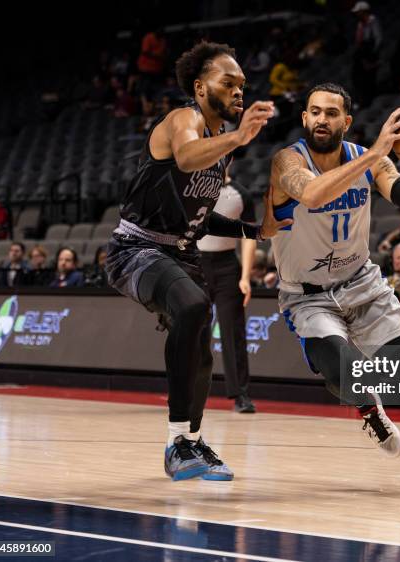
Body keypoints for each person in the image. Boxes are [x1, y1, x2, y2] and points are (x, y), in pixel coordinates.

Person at [270, 82, 400, 492]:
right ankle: (369, 409)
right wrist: (376, 152)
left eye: (331, 113)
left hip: (361, 285)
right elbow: (312, 194)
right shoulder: (286, 161)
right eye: (314, 111)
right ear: (304, 118)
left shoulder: (370, 161)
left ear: (346, 121)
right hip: (309, 297)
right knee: (342, 371)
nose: (322, 120)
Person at [104, 42, 289, 483]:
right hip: (135, 249)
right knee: (192, 307)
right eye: (230, 82)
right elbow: (186, 156)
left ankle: (193, 441)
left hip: (181, 250)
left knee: (203, 353)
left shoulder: (221, 147)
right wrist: (241, 136)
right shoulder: (182, 120)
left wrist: (255, 231)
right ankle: (175, 443)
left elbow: (201, 220)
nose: (240, 91)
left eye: (243, 85)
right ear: (200, 86)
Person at [198, 167, 257, 414]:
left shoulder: (241, 193)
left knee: (232, 332)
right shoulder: (193, 188)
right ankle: (189, 390)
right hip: (194, 262)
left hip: (226, 267)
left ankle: (240, 395)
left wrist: (245, 276)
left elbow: (250, 236)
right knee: (192, 331)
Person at [351, 2, 383, 108]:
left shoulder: (373, 22)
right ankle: (361, 100)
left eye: (358, 12)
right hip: (361, 55)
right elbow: (358, 41)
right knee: (357, 78)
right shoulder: (360, 24)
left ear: (364, 11)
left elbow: (378, 39)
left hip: (370, 54)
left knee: (368, 80)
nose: (356, 14)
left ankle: (367, 102)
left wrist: (372, 55)